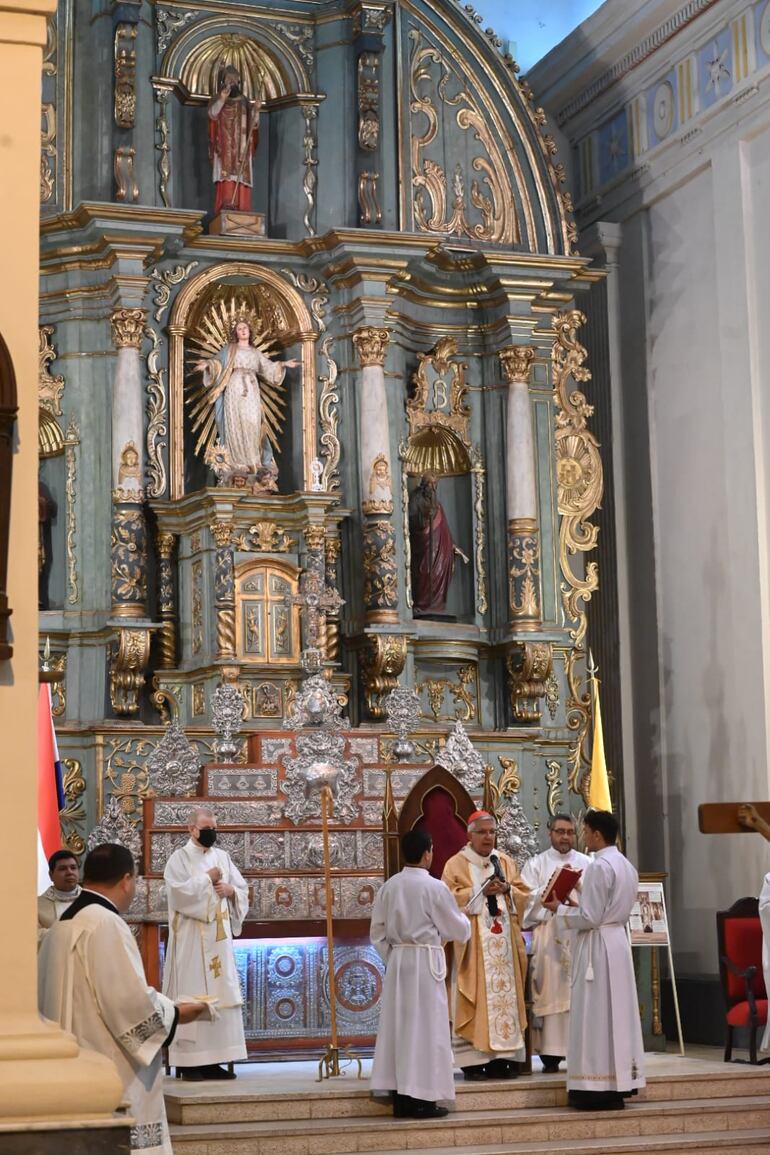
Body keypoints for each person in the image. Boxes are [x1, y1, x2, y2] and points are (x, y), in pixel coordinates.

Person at [38, 843, 207, 1155]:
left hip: (71, 1071)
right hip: (107, 1071)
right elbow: (129, 1006)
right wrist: (178, 1012)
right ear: (127, 880)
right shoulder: (105, 924)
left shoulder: (61, 925)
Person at [544, 809, 645, 1110]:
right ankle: (617, 1084)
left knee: (596, 1015)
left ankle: (593, 1086)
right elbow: (602, 910)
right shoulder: (626, 865)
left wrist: (558, 909)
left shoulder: (600, 866)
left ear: (597, 834)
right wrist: (576, 901)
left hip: (597, 948)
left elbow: (589, 918)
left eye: (585, 831)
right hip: (616, 942)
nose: (583, 836)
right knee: (617, 1014)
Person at [370, 829, 470, 1119]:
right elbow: (456, 929)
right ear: (428, 853)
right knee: (426, 1031)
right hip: (426, 963)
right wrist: (465, 921)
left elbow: (376, 933)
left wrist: (396, 957)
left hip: (400, 963)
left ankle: (401, 1096)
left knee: (400, 1030)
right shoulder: (434, 888)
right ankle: (423, 1099)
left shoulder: (389, 886)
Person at [163, 806, 250, 1080]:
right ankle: (189, 1063)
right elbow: (178, 895)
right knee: (192, 993)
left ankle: (215, 1060)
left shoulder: (222, 857)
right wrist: (206, 880)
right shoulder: (178, 859)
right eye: (206, 828)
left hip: (218, 940)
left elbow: (241, 888)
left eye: (214, 828)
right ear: (191, 829)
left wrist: (231, 891)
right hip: (191, 940)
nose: (211, 833)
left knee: (221, 994)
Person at [442, 810, 529, 1080]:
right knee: (474, 998)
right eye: (482, 832)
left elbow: (523, 894)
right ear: (469, 834)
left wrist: (507, 890)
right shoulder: (455, 864)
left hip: (503, 944)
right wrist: (480, 889)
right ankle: (472, 1060)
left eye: (492, 832)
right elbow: (447, 899)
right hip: (473, 948)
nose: (488, 837)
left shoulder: (504, 861)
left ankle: (501, 1060)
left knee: (505, 1001)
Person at [521, 813, 590, 1072]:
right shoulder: (536, 864)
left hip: (580, 936)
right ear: (549, 833)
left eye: (570, 832)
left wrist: (578, 890)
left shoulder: (588, 863)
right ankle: (550, 1054)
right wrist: (547, 892)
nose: (565, 836)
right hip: (550, 935)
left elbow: (596, 903)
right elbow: (524, 901)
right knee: (552, 990)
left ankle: (581, 1050)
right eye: (560, 831)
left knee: (579, 992)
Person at [193, 319, 300, 486]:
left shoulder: (255, 352)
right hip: (234, 389)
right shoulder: (230, 349)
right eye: (239, 328)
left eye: (245, 328)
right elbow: (217, 363)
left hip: (251, 389)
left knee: (253, 423)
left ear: (250, 331)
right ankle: (237, 462)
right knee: (236, 423)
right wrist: (207, 365)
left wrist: (284, 364)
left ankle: (254, 461)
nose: (243, 330)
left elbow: (268, 367)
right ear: (236, 333)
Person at [409, 473, 464, 616]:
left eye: (435, 484)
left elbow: (444, 528)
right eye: (430, 484)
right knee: (424, 571)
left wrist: (451, 545)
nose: (432, 488)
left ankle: (437, 604)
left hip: (441, 547)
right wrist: (425, 517)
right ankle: (422, 603)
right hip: (424, 545)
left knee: (439, 570)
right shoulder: (416, 499)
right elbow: (412, 521)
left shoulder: (437, 505)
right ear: (424, 485)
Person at [208, 65, 260, 215]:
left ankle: (242, 209)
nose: (232, 83)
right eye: (229, 80)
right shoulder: (218, 98)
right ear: (223, 82)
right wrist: (222, 99)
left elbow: (254, 125)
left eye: (235, 81)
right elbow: (212, 115)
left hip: (241, 146)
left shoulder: (244, 101)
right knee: (226, 177)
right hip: (224, 146)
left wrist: (256, 110)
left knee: (241, 177)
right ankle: (225, 207)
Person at [38, 848, 81, 941]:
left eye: (73, 868)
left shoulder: (93, 900)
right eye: (62, 869)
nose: (70, 872)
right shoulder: (36, 905)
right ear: (51, 875)